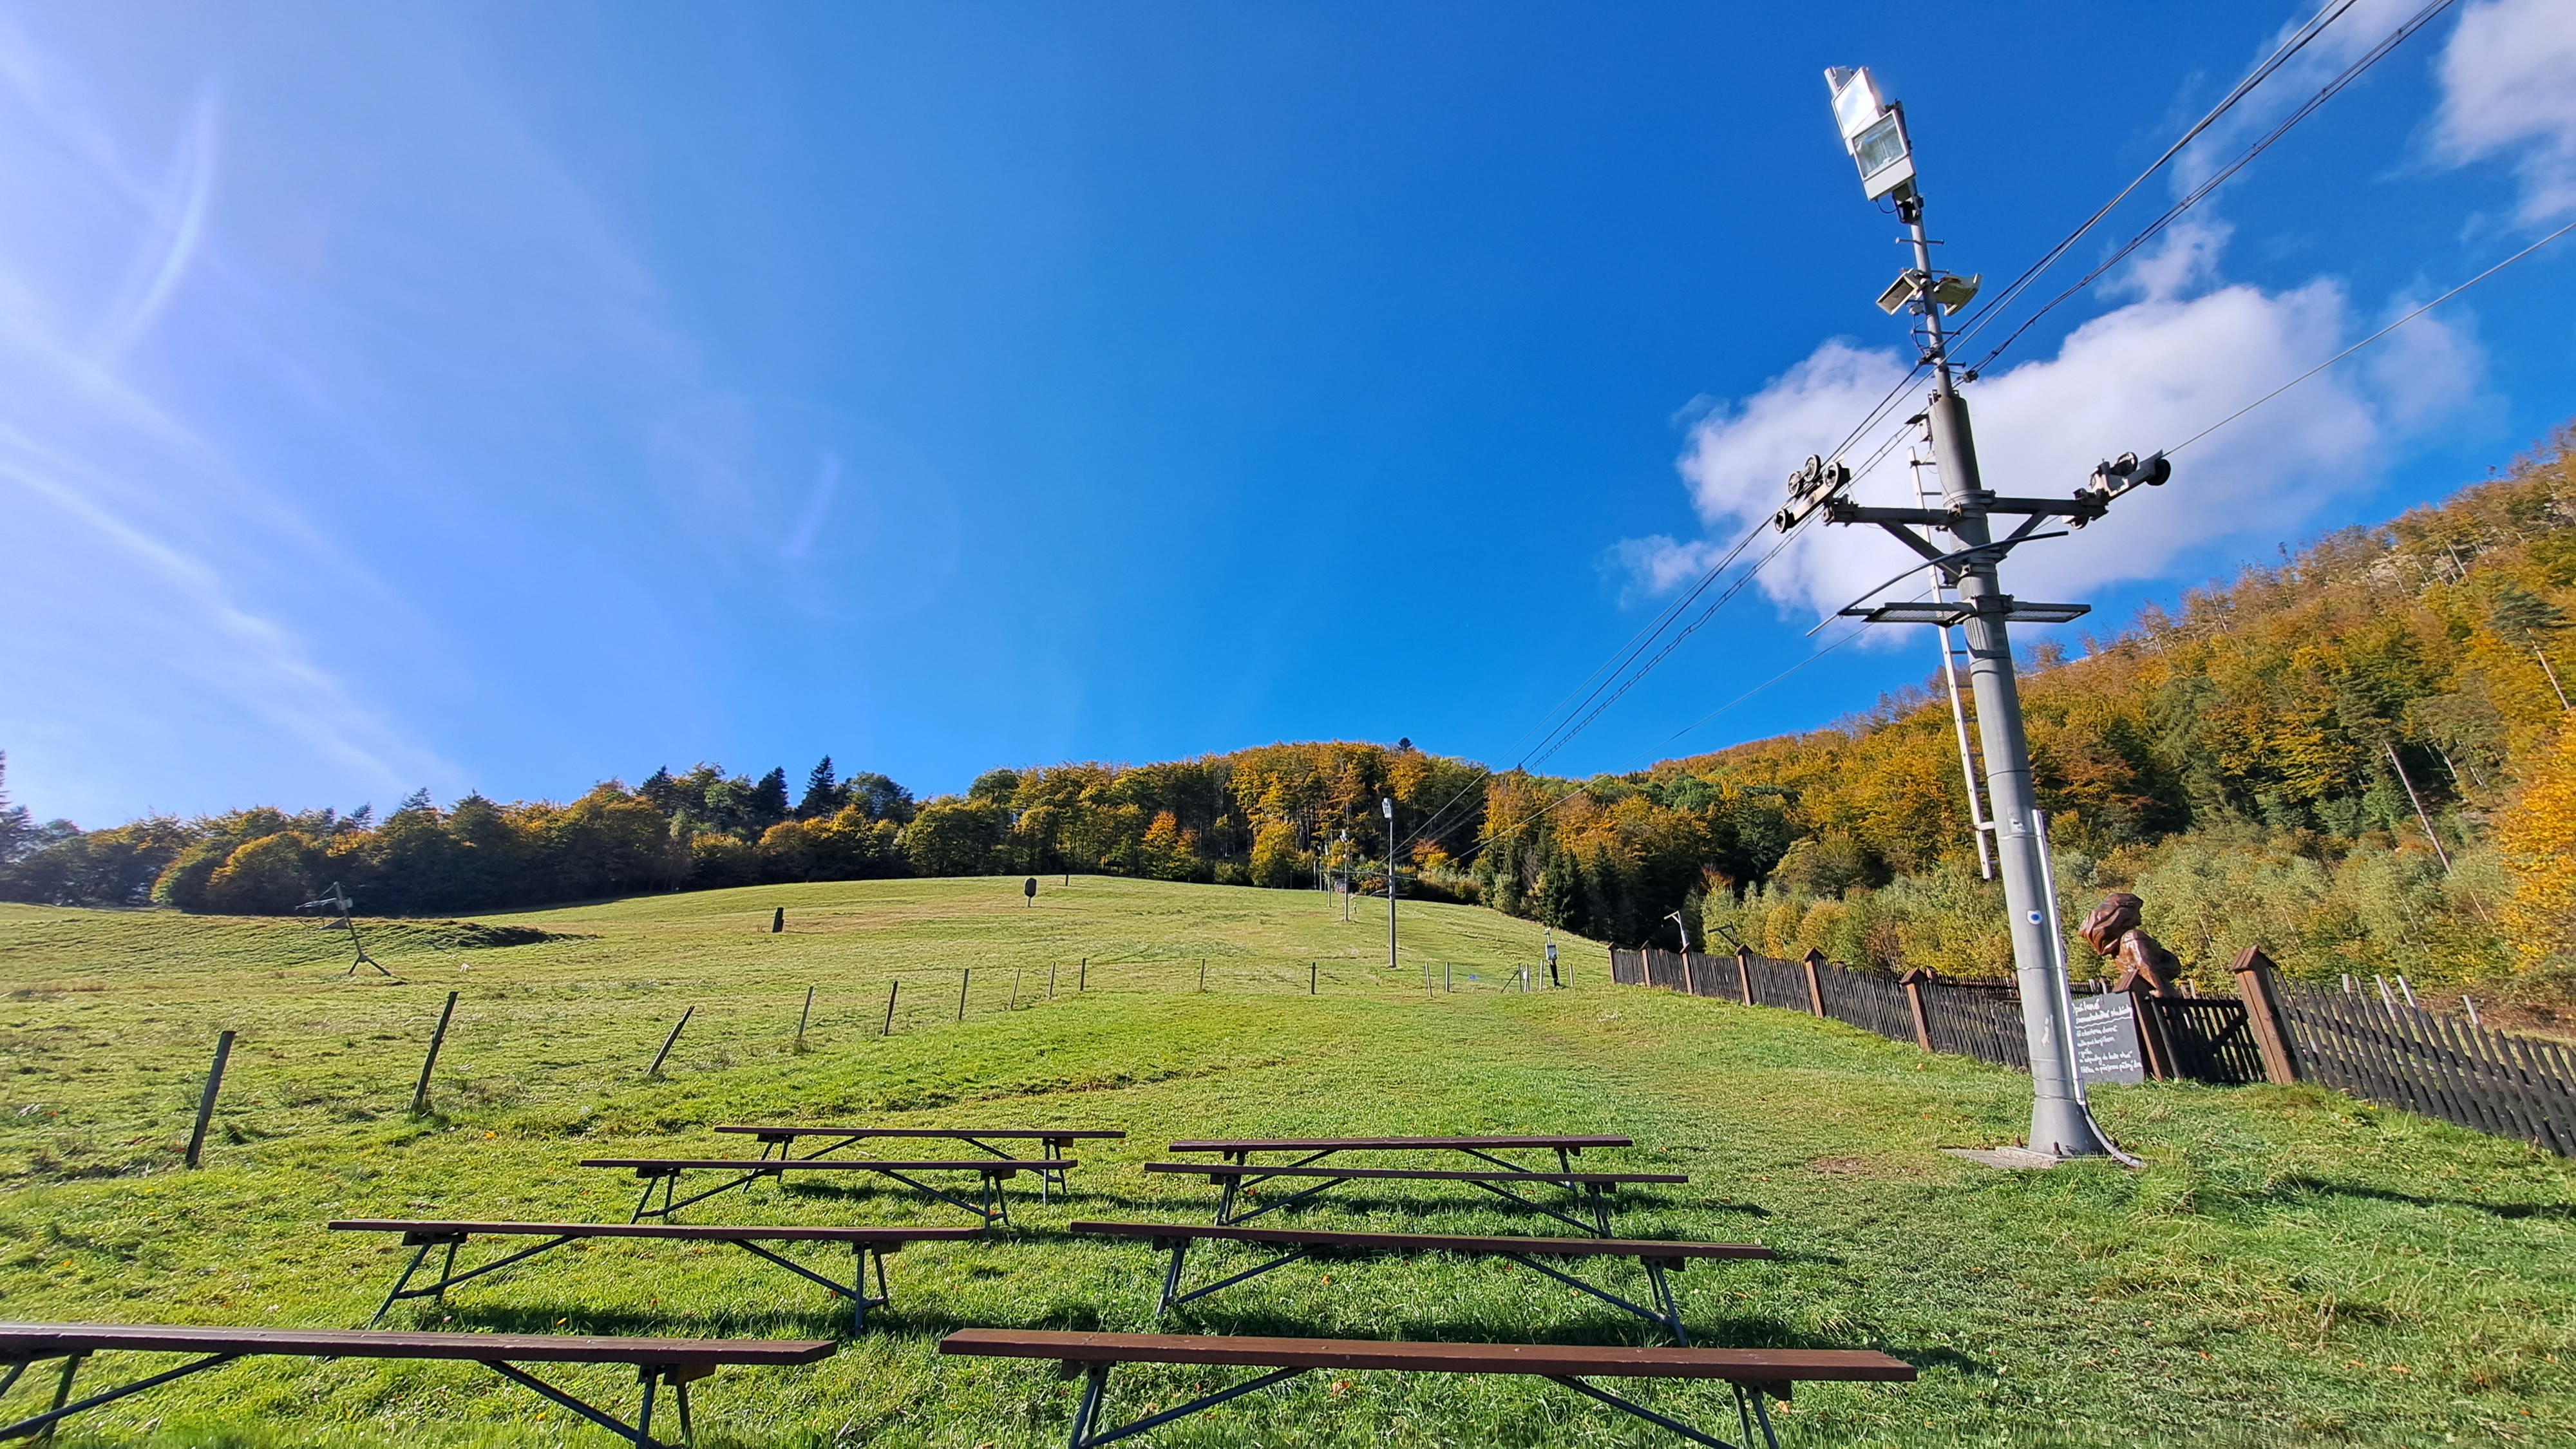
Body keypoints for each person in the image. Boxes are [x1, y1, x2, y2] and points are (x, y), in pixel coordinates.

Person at [2076, 891, 2183, 996]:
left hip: (2136, 993)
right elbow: (2145, 965)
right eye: (2137, 912)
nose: (2140, 919)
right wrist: (2159, 989)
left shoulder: (2117, 947)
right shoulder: (2133, 936)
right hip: (2156, 997)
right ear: (2126, 915)